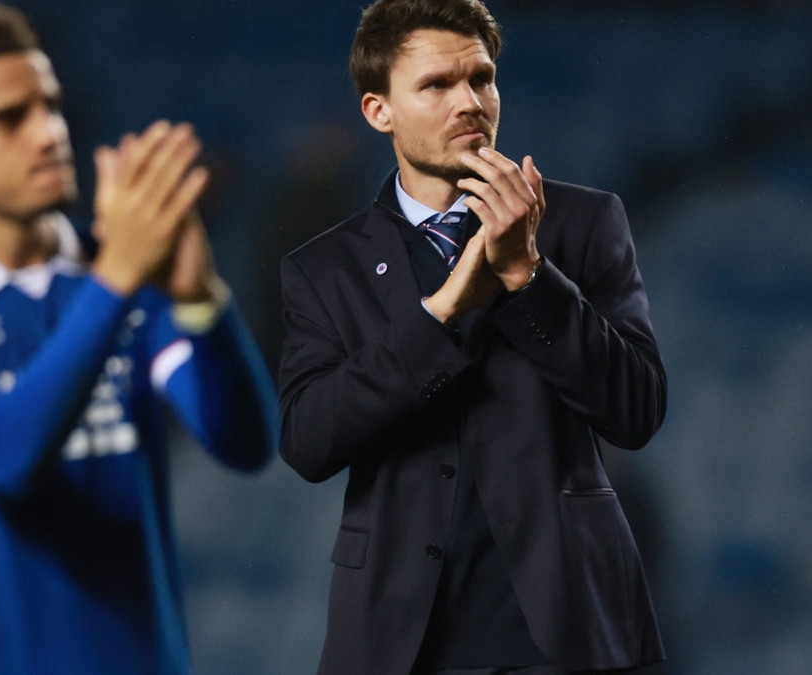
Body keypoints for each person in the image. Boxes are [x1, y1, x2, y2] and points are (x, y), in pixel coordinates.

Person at [0, 4, 277, 674]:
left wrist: (197, 300)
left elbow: (244, 441)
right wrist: (118, 280)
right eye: (8, 119)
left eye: (49, 105)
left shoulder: (117, 271)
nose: (48, 133)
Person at [277, 1, 667, 673]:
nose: (470, 102)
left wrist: (529, 274)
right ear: (379, 110)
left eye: (481, 79)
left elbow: (635, 411)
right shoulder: (323, 269)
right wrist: (441, 313)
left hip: (567, 629)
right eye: (436, 85)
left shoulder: (583, 223)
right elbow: (310, 441)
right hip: (400, 639)